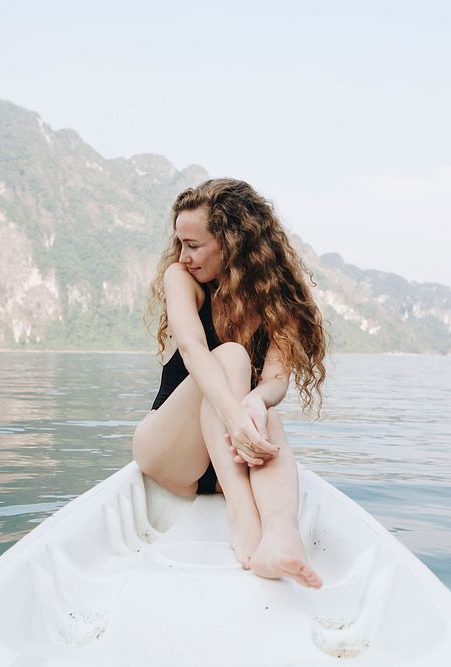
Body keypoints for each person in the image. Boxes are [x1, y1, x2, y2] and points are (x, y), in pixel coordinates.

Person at [132, 178, 327, 589]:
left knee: (268, 417)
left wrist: (254, 405)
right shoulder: (181, 279)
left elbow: (276, 380)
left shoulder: (279, 302)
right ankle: (242, 512)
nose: (184, 255)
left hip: (225, 458)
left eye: (195, 244)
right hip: (171, 453)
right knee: (232, 356)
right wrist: (237, 416)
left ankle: (280, 536)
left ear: (233, 242)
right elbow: (192, 348)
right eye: (180, 243)